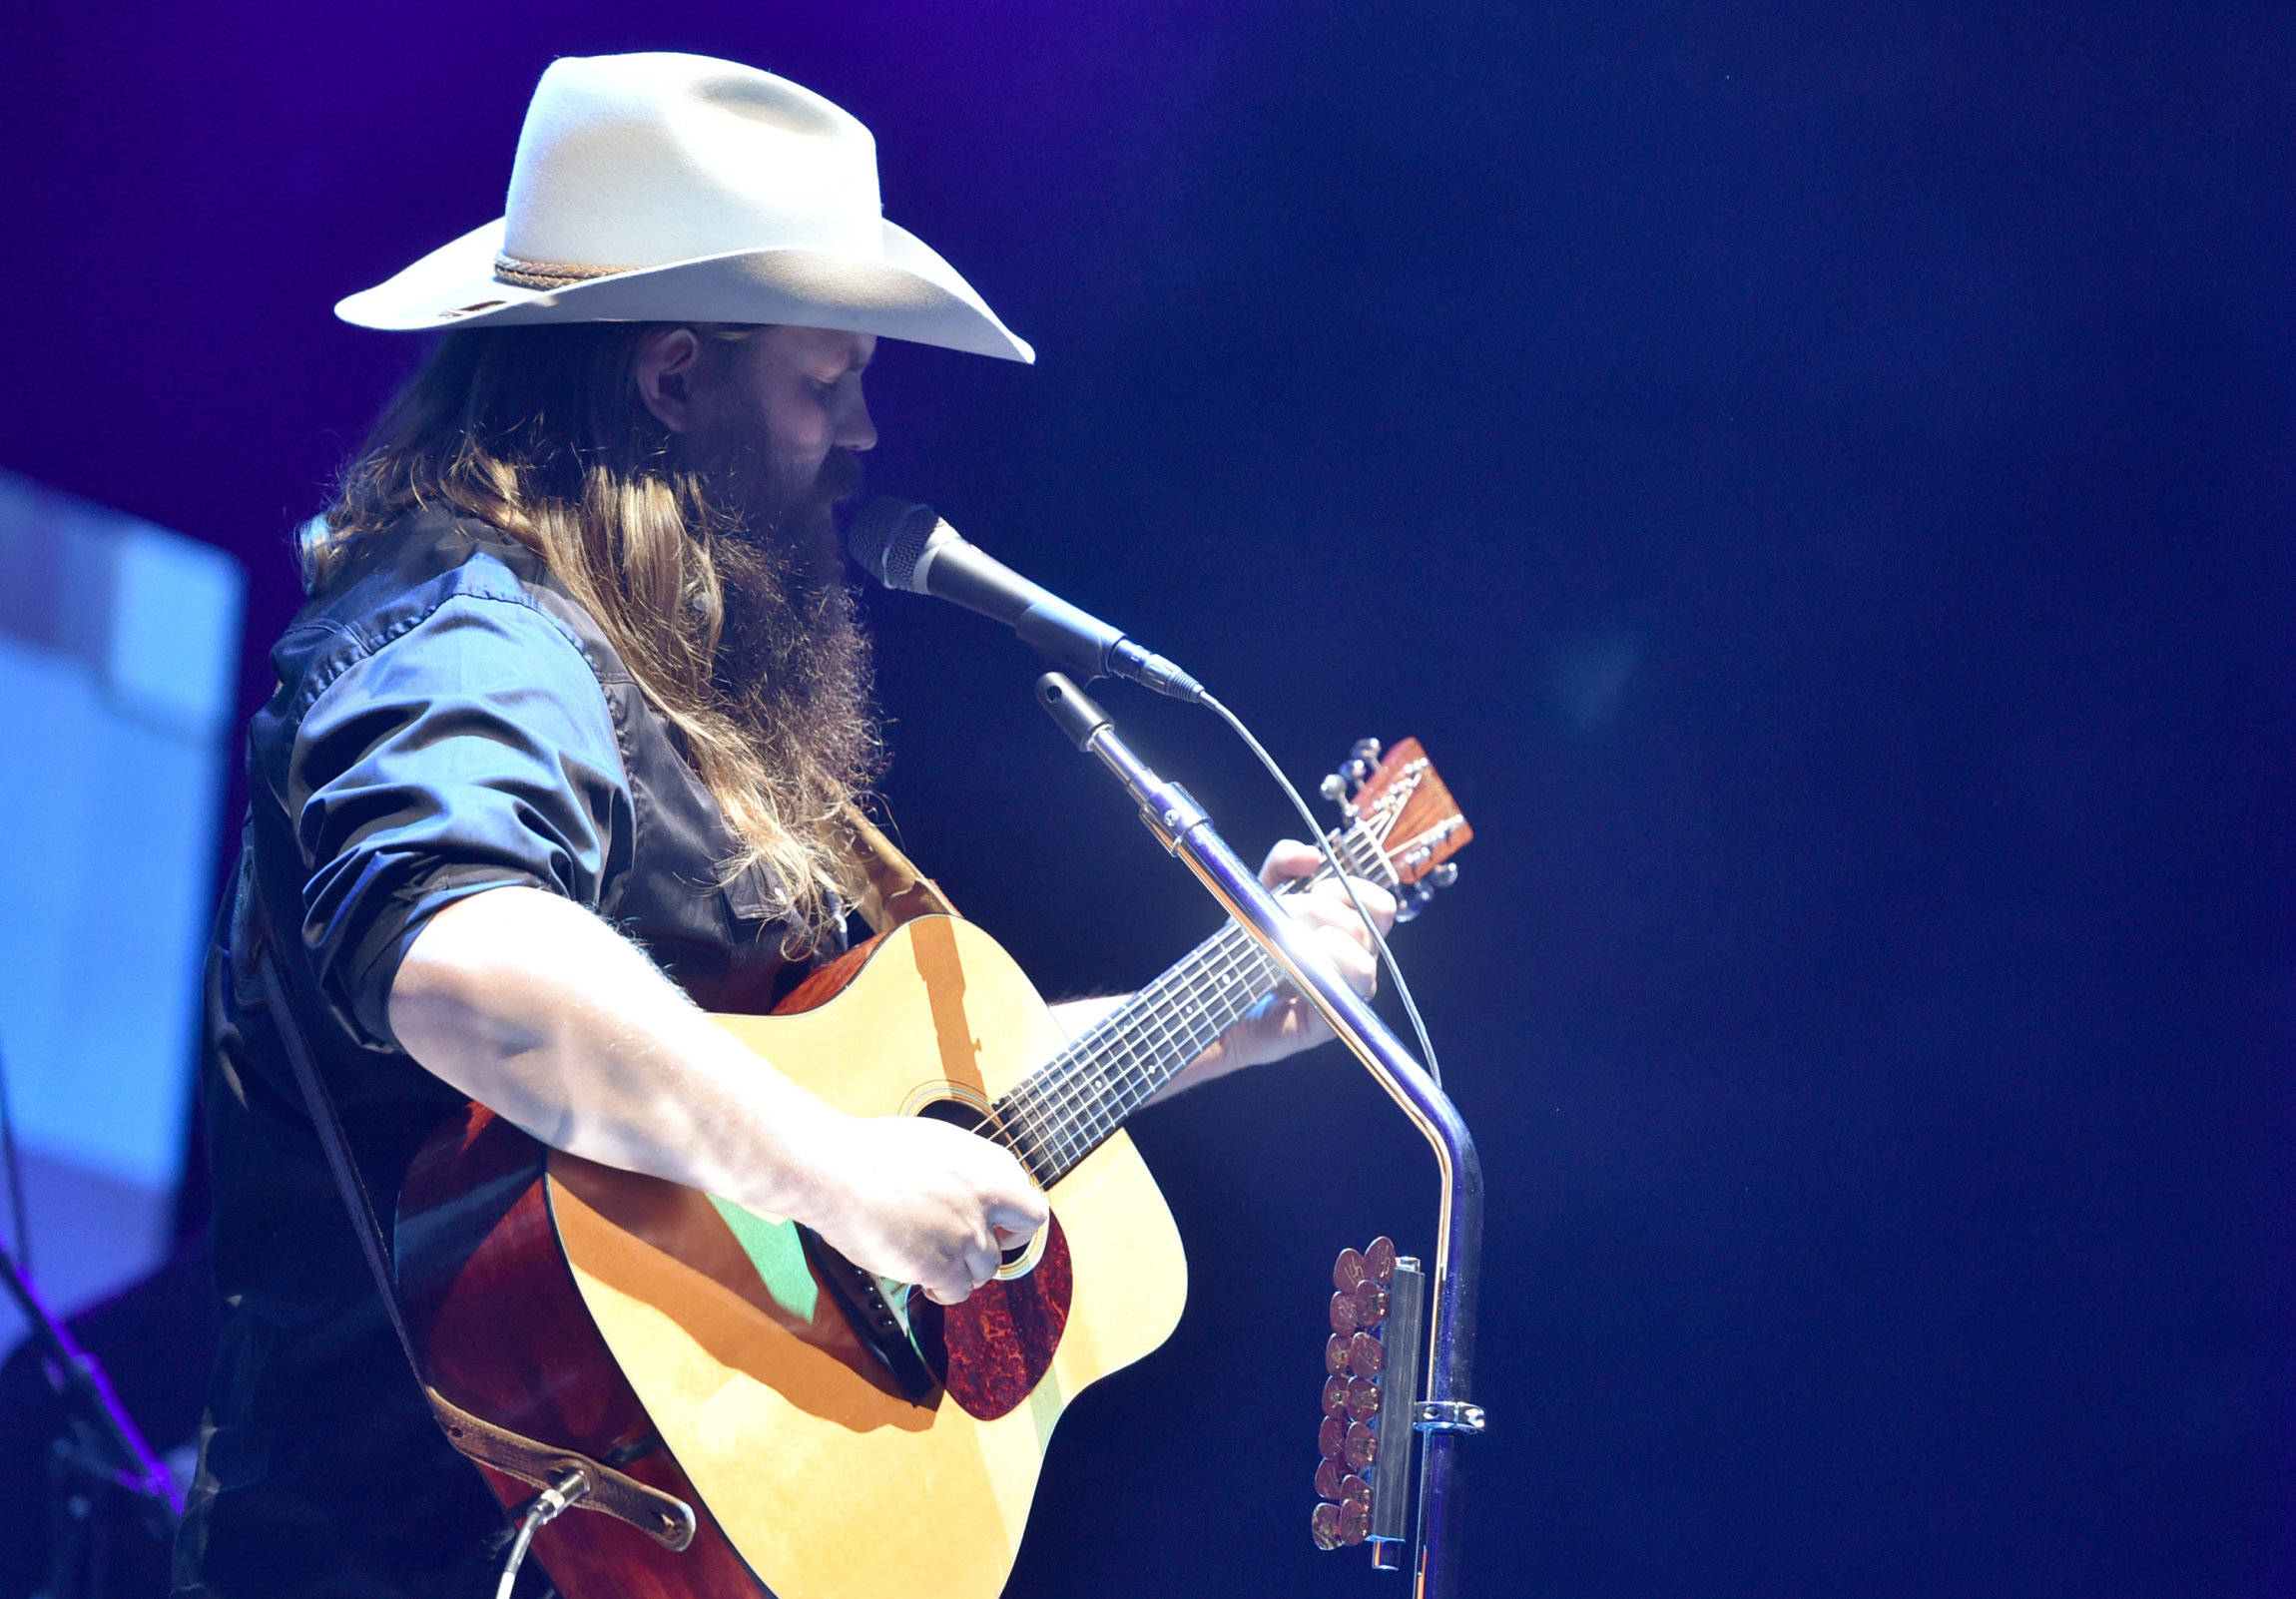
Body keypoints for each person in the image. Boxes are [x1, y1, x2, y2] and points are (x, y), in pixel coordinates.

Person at [173, 52, 1394, 1598]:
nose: (868, 432)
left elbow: (844, 1104)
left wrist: (1212, 1012)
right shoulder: (468, 630)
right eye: (828, 381)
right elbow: (469, 961)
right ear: (675, 376)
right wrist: (838, 1171)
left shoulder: (656, 678)